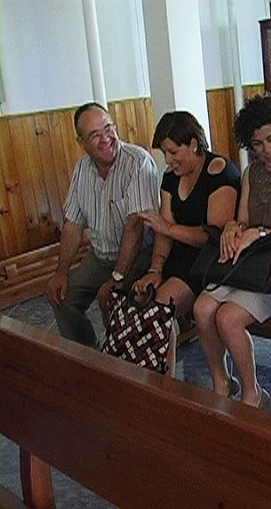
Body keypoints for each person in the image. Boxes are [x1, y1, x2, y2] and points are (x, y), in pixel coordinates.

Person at [192, 95, 271, 406]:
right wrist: (233, 228)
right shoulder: (251, 173)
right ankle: (221, 381)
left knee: (227, 318)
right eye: (258, 143)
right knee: (202, 309)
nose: (267, 150)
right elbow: (242, 219)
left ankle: (253, 392)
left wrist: (260, 233)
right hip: (246, 262)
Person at [132, 111, 240, 373]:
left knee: (159, 307)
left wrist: (167, 227)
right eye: (164, 154)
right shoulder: (170, 177)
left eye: (173, 152)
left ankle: (174, 381)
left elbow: (211, 235)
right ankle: (157, 377)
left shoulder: (220, 171)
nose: (168, 160)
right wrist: (155, 270)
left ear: (193, 144)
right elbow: (163, 234)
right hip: (178, 255)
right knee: (136, 295)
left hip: (209, 260)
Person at [46, 102, 160, 347]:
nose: (105, 138)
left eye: (108, 129)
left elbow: (135, 227)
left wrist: (117, 278)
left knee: (112, 300)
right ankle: (90, 357)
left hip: (140, 255)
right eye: (94, 135)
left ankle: (124, 359)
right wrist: (61, 272)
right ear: (81, 143)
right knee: (62, 298)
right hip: (100, 256)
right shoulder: (82, 169)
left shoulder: (138, 162)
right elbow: (73, 225)